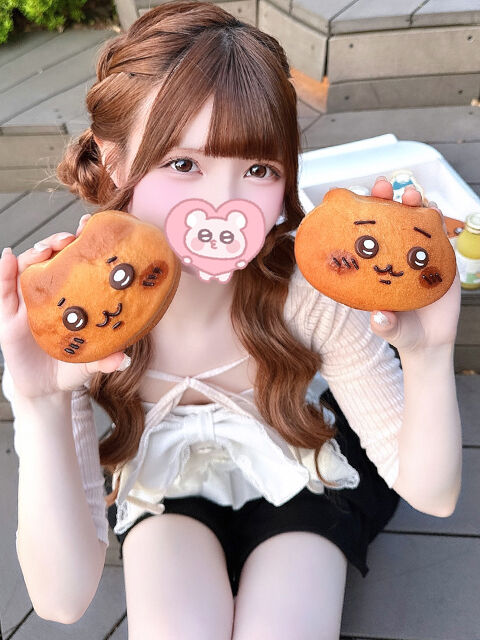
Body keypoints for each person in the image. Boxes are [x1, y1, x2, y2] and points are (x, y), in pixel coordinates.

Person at [0, 1, 462, 638]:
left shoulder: (308, 293)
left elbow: (433, 494)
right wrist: (38, 401)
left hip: (303, 466)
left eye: (258, 169)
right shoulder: (82, 317)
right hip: (165, 488)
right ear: (113, 161)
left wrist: (429, 353)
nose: (223, 203)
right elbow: (60, 599)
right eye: (183, 164)